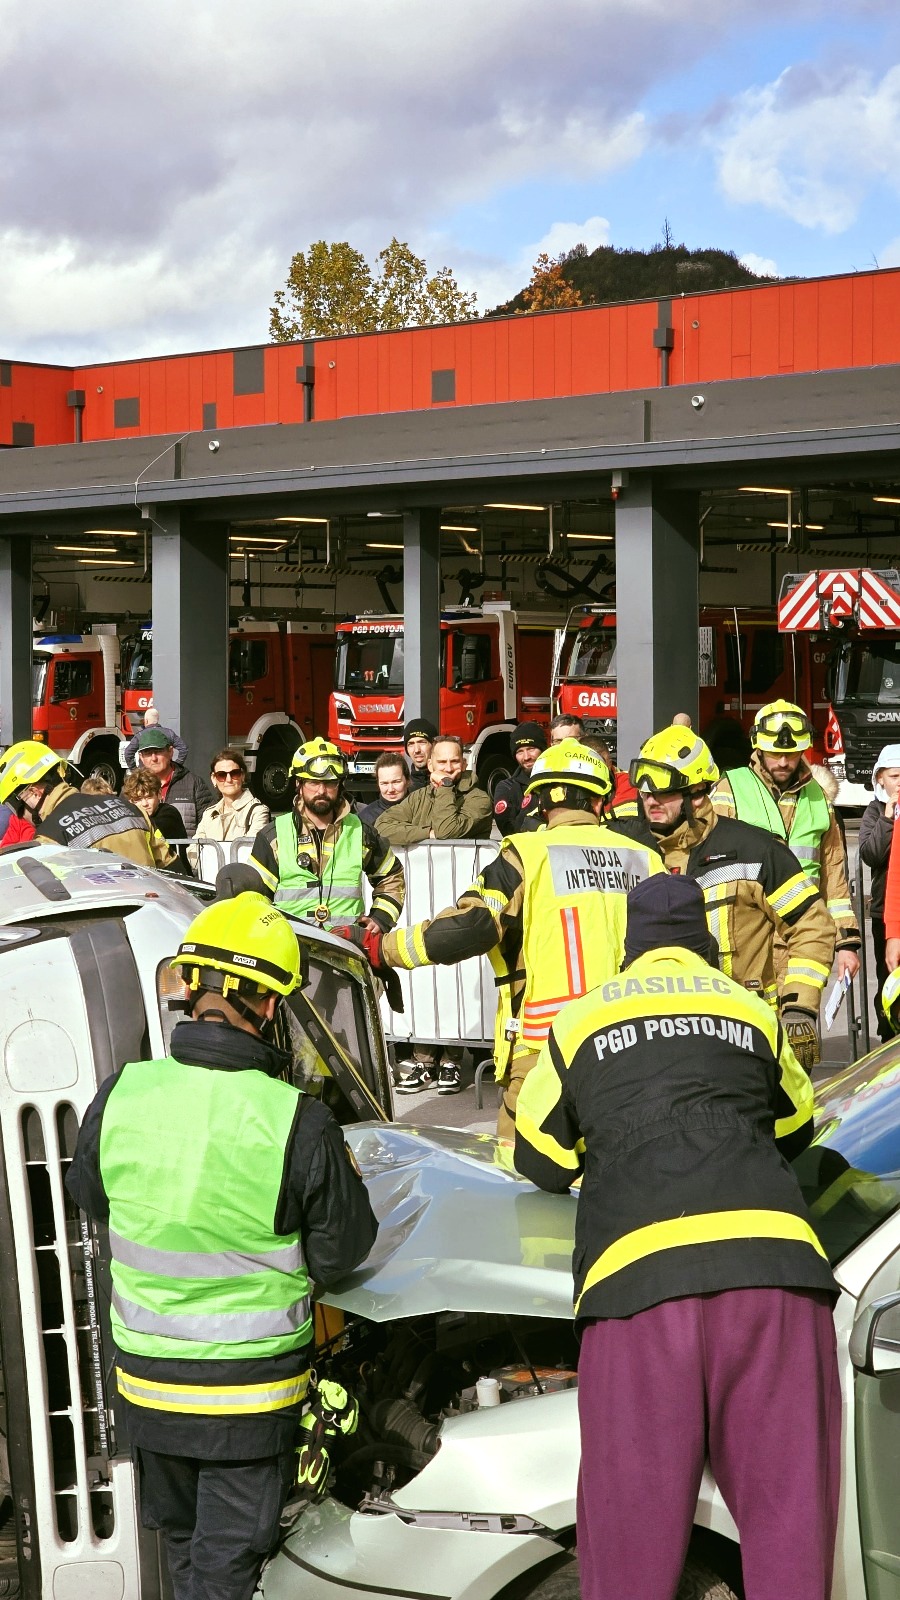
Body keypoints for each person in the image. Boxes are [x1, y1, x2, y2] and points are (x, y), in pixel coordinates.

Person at [513, 873, 840, 1600]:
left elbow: (536, 1156)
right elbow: (796, 1127)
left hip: (640, 1286)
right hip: (777, 1278)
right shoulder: (750, 1011)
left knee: (632, 1549)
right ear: (707, 945)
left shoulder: (580, 1020)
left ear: (631, 948)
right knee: (791, 1536)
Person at [65, 893, 377, 1600]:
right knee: (227, 1566)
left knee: (182, 1547)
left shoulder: (122, 1094)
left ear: (193, 992)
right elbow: (340, 1254)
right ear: (267, 1008)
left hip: (147, 1387)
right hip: (248, 1399)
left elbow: (93, 1196)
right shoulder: (296, 1120)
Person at [359, 740, 664, 1133]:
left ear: (539, 800)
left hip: (549, 1051)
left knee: (522, 1176)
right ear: (600, 801)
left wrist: (382, 949)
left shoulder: (526, 853)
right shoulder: (645, 857)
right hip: (637, 1045)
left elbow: (470, 927)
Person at [615, 724, 836, 1072]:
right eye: (643, 792)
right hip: (645, 1038)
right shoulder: (624, 849)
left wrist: (799, 1006)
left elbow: (813, 926)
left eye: (664, 792)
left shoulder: (755, 849)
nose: (650, 800)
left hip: (739, 1033)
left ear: (699, 793)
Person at [712, 699, 861, 992]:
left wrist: (847, 942)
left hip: (803, 937)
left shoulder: (818, 798)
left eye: (791, 754)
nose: (783, 762)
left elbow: (834, 880)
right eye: (775, 754)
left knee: (799, 1028)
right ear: (758, 747)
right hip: (746, 938)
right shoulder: (730, 788)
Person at [244, 737, 405, 933]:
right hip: (292, 943)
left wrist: (380, 919)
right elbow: (254, 897)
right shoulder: (274, 835)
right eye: (313, 782)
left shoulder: (360, 832)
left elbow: (391, 876)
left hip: (346, 946)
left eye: (330, 783)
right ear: (299, 784)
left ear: (340, 785)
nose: (321, 790)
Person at [0, 740, 175, 869]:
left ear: (33, 793)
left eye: (16, 809)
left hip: (109, 917)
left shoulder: (50, 837)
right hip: (155, 912)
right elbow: (174, 869)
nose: (19, 817)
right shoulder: (131, 809)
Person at [376, 735, 493, 847]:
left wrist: (445, 785)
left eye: (454, 761)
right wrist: (429, 833)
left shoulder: (480, 800)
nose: (448, 768)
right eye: (442, 762)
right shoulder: (418, 797)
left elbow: (446, 831)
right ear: (430, 765)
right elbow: (381, 827)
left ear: (464, 764)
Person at [859, 745, 900, 1040]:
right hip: (884, 911)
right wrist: (887, 818)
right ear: (880, 779)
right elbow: (871, 854)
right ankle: (888, 1036)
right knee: (888, 980)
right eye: (895, 776)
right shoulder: (874, 811)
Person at [191, 749, 270, 877]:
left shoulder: (258, 811)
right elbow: (192, 851)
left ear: (243, 776)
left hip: (244, 883)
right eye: (221, 775)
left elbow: (249, 853)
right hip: (211, 884)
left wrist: (211, 858)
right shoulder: (209, 814)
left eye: (235, 773)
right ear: (213, 779)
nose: (228, 779)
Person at [136, 727, 215, 839]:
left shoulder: (193, 784)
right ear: (141, 757)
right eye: (148, 753)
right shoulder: (130, 789)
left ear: (170, 752)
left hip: (185, 855)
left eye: (158, 751)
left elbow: (210, 826)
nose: (154, 758)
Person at [491, 722, 547, 837]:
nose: (526, 757)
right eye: (520, 752)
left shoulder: (557, 780)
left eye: (531, 749)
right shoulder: (507, 787)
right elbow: (509, 832)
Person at [122, 768, 185, 844]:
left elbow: (153, 829)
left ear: (159, 794)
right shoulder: (130, 816)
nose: (144, 804)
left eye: (149, 797)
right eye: (138, 799)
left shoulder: (170, 813)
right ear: (130, 801)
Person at [121, 704, 188, 770]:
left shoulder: (140, 735)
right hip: (165, 772)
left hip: (146, 774)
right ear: (157, 720)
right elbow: (184, 749)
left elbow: (128, 753)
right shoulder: (169, 733)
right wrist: (177, 766)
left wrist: (135, 770)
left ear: (146, 721)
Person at [358, 751, 410, 826]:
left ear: (407, 781)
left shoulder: (421, 810)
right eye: (385, 783)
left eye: (396, 782)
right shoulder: (367, 817)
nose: (391, 789)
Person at [403, 717, 438, 790]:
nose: (416, 750)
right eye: (411, 744)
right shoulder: (403, 789)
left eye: (422, 742)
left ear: (433, 745)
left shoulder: (446, 784)